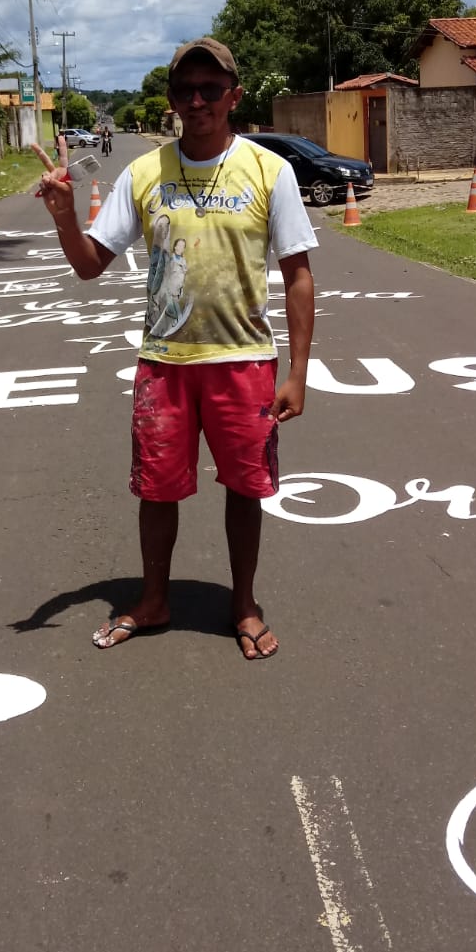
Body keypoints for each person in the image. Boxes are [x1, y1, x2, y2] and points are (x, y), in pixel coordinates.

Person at [33, 36, 317, 660]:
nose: (197, 100)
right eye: (186, 90)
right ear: (171, 99)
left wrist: (297, 373)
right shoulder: (145, 173)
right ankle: (154, 599)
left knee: (246, 487)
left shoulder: (270, 171)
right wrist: (65, 216)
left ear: (233, 96)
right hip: (164, 364)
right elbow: (90, 265)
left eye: (210, 88)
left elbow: (298, 273)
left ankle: (244, 604)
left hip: (244, 361)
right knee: (156, 489)